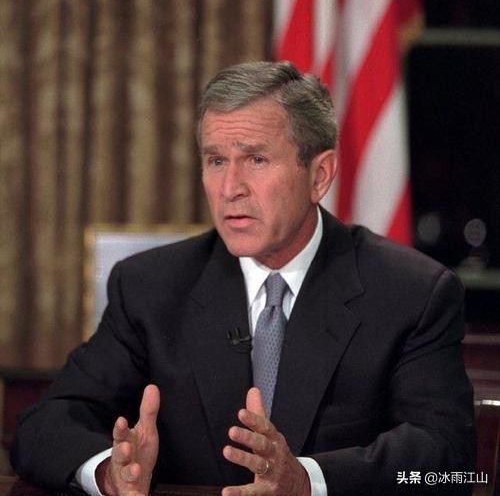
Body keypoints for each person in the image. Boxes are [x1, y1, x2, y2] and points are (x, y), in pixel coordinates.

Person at [12, 61, 476, 495]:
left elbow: (450, 461)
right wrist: (108, 473)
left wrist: (308, 481)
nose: (230, 188)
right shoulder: (150, 288)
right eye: (216, 160)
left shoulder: (410, 293)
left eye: (255, 159)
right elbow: (45, 424)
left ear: (319, 175)